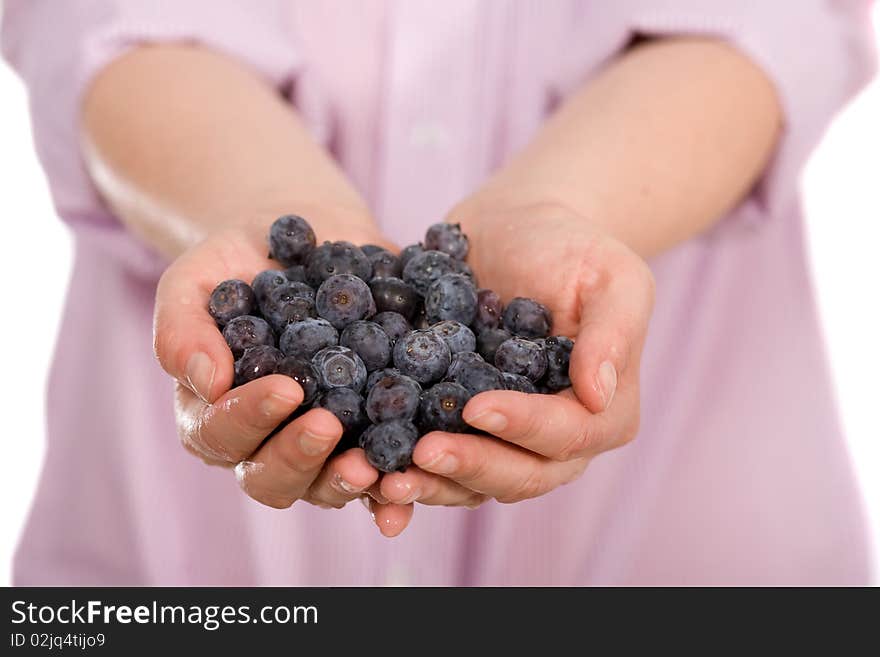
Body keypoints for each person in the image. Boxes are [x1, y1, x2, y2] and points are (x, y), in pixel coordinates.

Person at [2, 0, 875, 586]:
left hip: (688, 512)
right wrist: (249, 204)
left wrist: (567, 207)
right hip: (182, 545)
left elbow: (777, 16)